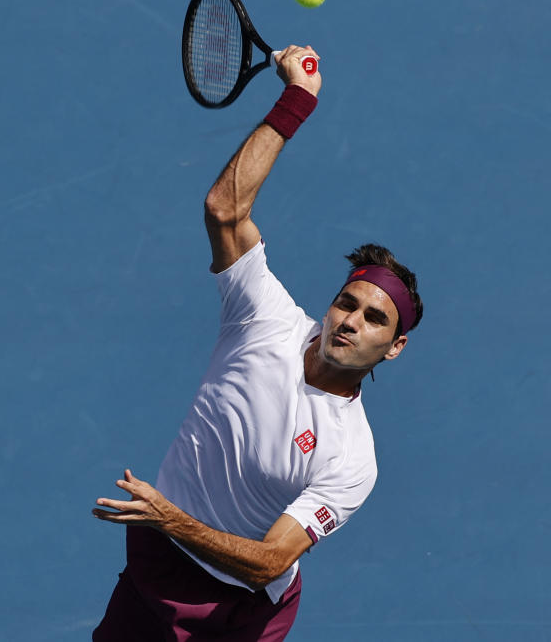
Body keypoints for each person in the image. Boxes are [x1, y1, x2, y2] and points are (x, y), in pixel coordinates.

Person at [91, 45, 423, 641]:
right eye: (347, 302)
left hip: (234, 610)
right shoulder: (265, 317)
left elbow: (271, 562)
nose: (351, 321)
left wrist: (171, 518)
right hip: (155, 560)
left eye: (376, 320)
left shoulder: (351, 458)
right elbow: (225, 209)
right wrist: (297, 100)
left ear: (393, 348)